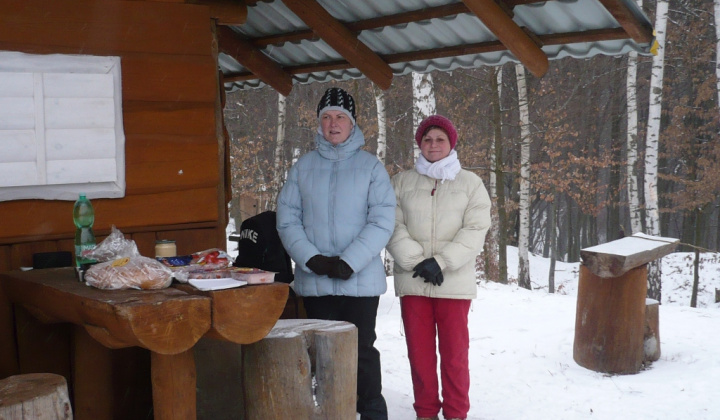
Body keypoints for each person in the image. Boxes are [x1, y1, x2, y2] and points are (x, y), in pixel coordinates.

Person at [276, 87, 396, 420]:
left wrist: (350, 261)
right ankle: (330, 412)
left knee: (362, 353)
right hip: (316, 281)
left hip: (360, 281)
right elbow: (287, 219)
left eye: (340, 117)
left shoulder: (371, 167)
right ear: (318, 123)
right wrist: (311, 259)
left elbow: (383, 219)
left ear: (352, 122)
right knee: (322, 355)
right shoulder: (303, 167)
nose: (332, 124)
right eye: (326, 117)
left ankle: (371, 411)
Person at [387, 115, 491, 420]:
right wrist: (418, 261)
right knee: (420, 356)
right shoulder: (401, 182)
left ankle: (457, 413)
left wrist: (441, 262)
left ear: (451, 144)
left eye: (440, 139)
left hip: (453, 283)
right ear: (420, 143)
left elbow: (475, 230)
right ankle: (426, 412)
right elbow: (391, 225)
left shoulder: (471, 183)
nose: (433, 145)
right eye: (428, 139)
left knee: (454, 356)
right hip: (414, 280)